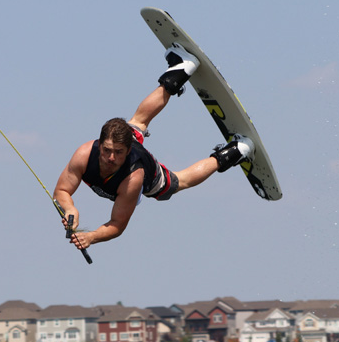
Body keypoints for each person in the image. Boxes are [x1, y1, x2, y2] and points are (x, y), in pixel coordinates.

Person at [53, 43, 254, 251]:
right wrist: (70, 209)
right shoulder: (84, 154)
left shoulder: (132, 180)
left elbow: (117, 225)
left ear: (128, 149)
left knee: (179, 181)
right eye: (107, 150)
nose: (111, 157)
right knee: (138, 121)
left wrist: (91, 237)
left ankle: (235, 151)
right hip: (126, 141)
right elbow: (61, 190)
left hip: (147, 172)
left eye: (118, 152)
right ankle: (182, 68)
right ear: (100, 143)